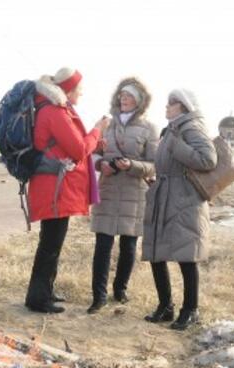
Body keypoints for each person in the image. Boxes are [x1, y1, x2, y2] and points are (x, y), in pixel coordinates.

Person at [24, 67, 110, 313]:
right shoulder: (55, 111)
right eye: (79, 89)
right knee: (51, 244)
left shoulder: (52, 109)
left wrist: (94, 138)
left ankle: (44, 291)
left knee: (51, 242)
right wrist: (97, 130)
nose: (81, 94)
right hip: (56, 188)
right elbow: (78, 149)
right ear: (68, 90)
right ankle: (38, 298)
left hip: (54, 185)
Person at [141, 88, 217, 330]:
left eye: (170, 103)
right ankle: (165, 306)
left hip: (185, 200)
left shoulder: (191, 128)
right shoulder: (171, 130)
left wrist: (175, 145)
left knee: (186, 256)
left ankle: (190, 309)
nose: (166, 107)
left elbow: (208, 160)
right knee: (156, 252)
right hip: (165, 195)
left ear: (183, 106)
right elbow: (165, 162)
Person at [88, 78, 158, 314]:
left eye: (128, 96)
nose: (123, 99)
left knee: (128, 246)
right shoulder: (106, 125)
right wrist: (101, 166)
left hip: (134, 192)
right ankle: (98, 296)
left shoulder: (149, 129)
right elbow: (92, 154)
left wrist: (132, 166)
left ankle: (120, 290)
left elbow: (153, 165)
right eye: (121, 95)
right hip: (108, 188)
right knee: (102, 244)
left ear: (139, 101)